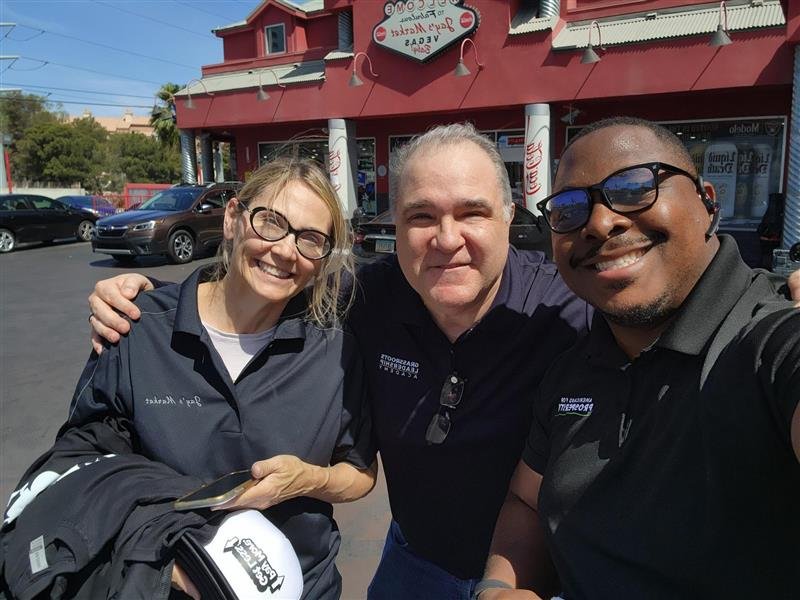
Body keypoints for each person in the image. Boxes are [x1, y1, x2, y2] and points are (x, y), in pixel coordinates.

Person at [86, 124, 800, 599]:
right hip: (413, 560)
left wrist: (780, 292)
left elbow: (706, 311)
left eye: (471, 213)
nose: (446, 238)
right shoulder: (361, 298)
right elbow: (265, 282)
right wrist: (148, 298)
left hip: (540, 576)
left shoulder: (574, 303)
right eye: (421, 216)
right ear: (390, 227)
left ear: (510, 217)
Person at [10, 157, 377, 600]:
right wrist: (170, 555)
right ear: (232, 219)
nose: (285, 250)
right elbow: (79, 461)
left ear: (321, 260)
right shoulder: (137, 329)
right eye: (271, 222)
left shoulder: (334, 351)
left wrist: (308, 481)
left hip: (302, 587)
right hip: (164, 582)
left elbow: (359, 472)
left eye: (310, 239)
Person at [480, 117, 800, 599]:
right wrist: (500, 589)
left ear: (707, 202)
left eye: (634, 187)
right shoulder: (572, 370)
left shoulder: (768, 342)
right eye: (569, 209)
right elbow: (526, 501)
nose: (601, 222)